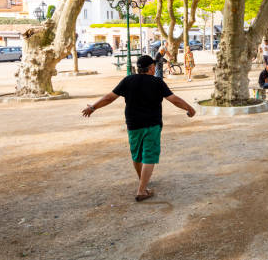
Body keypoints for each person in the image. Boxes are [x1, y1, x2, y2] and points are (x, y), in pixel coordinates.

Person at [81, 55, 195, 202]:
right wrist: (189, 108)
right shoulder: (157, 82)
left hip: (133, 124)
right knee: (149, 155)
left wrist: (93, 107)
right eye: (153, 66)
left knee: (137, 155)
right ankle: (142, 190)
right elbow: (174, 99)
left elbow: (109, 97)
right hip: (152, 124)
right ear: (151, 68)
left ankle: (143, 180)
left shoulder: (128, 80)